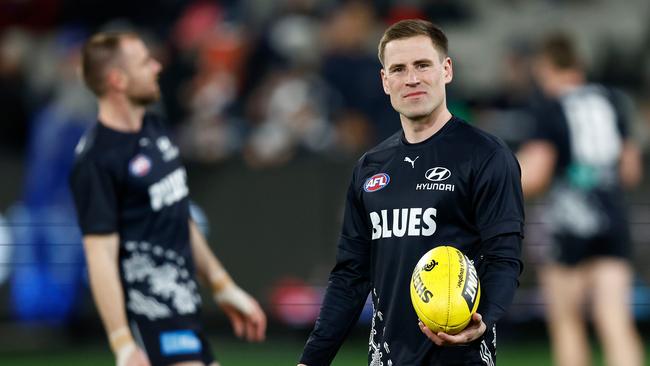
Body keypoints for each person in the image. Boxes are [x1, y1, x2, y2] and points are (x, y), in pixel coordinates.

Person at [298, 19, 524, 366]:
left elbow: (504, 257)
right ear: (385, 81)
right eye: (399, 69)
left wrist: (482, 323)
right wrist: (311, 360)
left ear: (446, 70)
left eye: (422, 65)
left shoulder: (486, 155)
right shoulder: (370, 168)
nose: (412, 79)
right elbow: (350, 277)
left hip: (461, 357)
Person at [69, 31, 267, 366]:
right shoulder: (96, 159)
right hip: (148, 315)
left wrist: (223, 286)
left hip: (184, 310)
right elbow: (99, 253)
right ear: (118, 80)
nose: (157, 67)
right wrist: (123, 343)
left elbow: (179, 216)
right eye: (145, 62)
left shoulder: (157, 128)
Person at [517, 33, 644, 366]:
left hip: (569, 223)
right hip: (612, 218)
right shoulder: (613, 100)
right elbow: (630, 170)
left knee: (567, 322)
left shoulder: (551, 106)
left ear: (545, 68)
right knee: (615, 320)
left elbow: (536, 173)